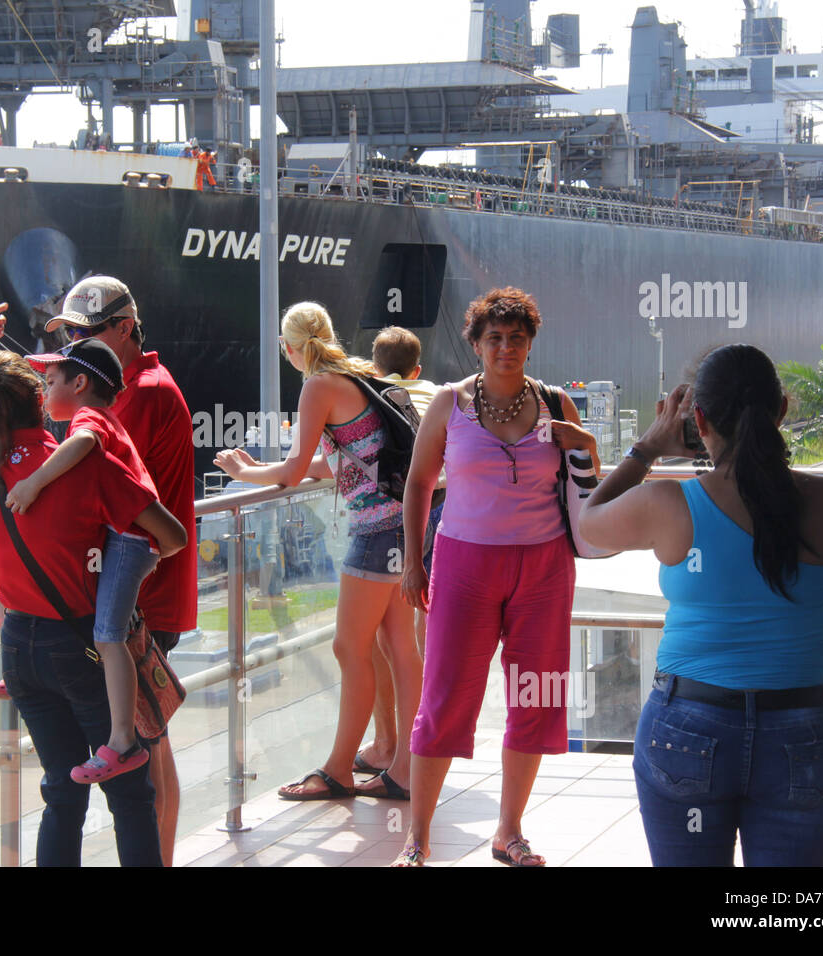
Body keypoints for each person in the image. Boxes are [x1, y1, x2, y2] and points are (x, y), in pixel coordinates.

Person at [579, 344, 823, 866]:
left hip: (690, 729)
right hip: (805, 735)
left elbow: (588, 524)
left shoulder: (667, 503)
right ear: (781, 410)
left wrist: (647, 448)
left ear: (698, 419)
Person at [0, 349, 185, 866]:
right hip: (81, 646)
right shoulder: (85, 465)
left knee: (61, 789)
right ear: (40, 402)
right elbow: (170, 534)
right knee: (130, 793)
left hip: (18, 647)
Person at [394, 287, 599, 866]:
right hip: (464, 564)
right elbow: (417, 484)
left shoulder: (557, 402)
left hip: (544, 567)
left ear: (531, 342)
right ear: (477, 344)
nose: (505, 348)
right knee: (444, 698)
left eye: (516, 337)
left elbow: (587, 482)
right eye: (494, 338)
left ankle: (508, 832)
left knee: (536, 694)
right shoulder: (449, 404)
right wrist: (414, 560)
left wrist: (585, 442)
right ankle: (418, 838)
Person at [214, 302, 423, 802]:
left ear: (290, 349)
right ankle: (407, 767)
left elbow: (290, 470)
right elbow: (344, 463)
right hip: (407, 528)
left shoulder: (317, 385)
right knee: (400, 647)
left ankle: (337, 771)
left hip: (376, 533)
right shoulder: (359, 375)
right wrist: (299, 466)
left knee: (349, 648)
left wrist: (243, 473)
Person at [42, 277, 197, 868]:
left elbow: (86, 473)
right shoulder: (138, 388)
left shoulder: (141, 394)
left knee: (147, 750)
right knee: (151, 741)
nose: (74, 348)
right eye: (69, 337)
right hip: (143, 592)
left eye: (85, 335)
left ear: (125, 330)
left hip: (141, 599)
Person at [0, 338, 161, 783]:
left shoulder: (90, 418)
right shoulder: (103, 415)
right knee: (106, 631)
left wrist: (33, 482)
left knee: (107, 636)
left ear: (81, 383)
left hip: (129, 539)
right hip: (127, 536)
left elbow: (83, 442)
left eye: (50, 382)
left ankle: (123, 740)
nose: (44, 393)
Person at [356, 327, 445, 776]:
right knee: (423, 632)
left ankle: (389, 744)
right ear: (418, 370)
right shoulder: (435, 392)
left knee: (383, 636)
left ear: (375, 366)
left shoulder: (374, 393)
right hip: (447, 504)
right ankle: (422, 740)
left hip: (400, 510)